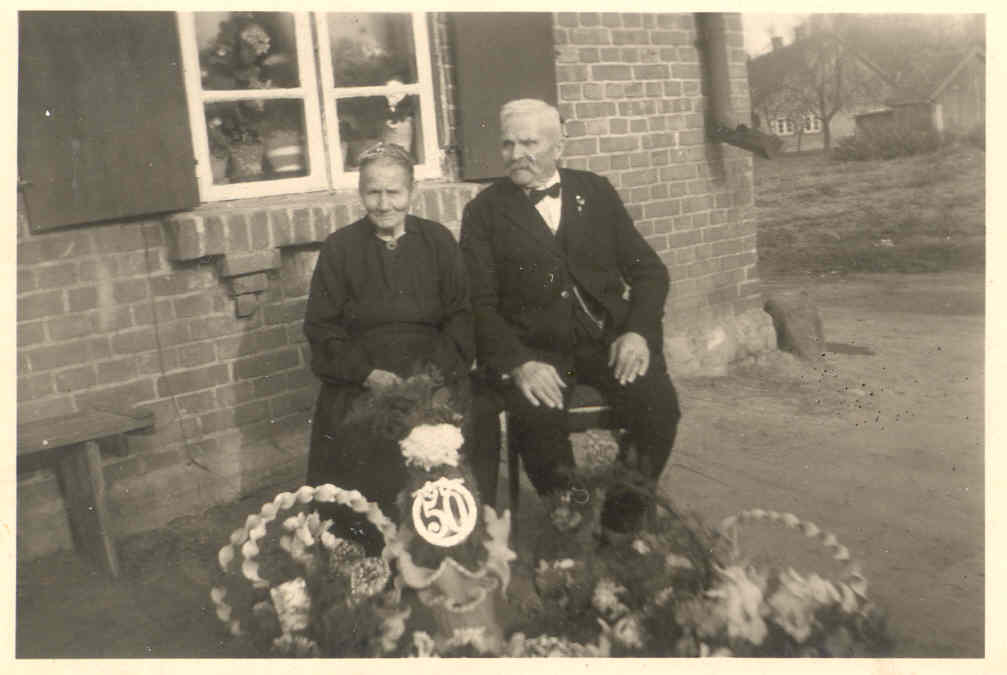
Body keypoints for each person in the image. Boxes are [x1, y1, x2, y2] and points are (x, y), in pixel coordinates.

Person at [460, 99, 681, 537]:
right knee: (539, 421)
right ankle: (573, 509)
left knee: (659, 410)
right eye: (507, 143)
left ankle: (620, 518)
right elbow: (477, 302)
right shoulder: (484, 211)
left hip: (608, 341)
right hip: (536, 352)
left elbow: (649, 270)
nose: (515, 154)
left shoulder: (595, 192)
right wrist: (518, 363)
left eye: (529, 142)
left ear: (559, 146)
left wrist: (638, 332)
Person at [303, 143, 474, 554]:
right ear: (360, 194)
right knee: (357, 431)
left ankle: (442, 540)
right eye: (373, 193)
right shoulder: (340, 247)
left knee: (455, 426)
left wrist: (433, 374)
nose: (383, 204)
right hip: (364, 373)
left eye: (393, 192)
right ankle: (365, 547)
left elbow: (462, 315)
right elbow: (321, 326)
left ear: (411, 191)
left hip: (432, 369)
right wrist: (366, 374)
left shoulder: (437, 240)